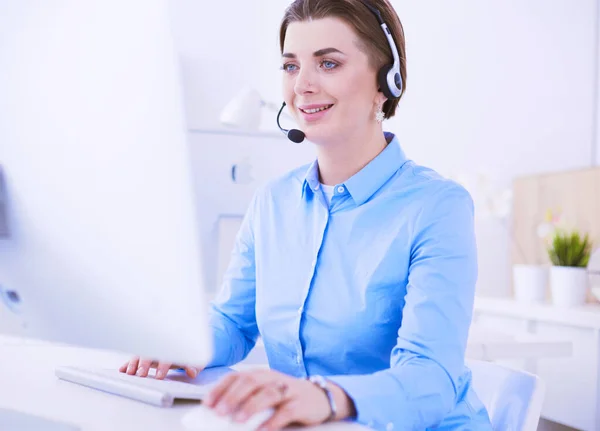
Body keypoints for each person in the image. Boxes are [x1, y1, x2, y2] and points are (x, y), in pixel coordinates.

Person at [121, 1, 494, 429]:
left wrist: (325, 397)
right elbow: (232, 322)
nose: (303, 85)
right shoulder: (272, 202)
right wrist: (183, 344)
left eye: (328, 63)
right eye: (290, 66)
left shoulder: (437, 207)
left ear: (386, 81)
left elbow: (431, 377)